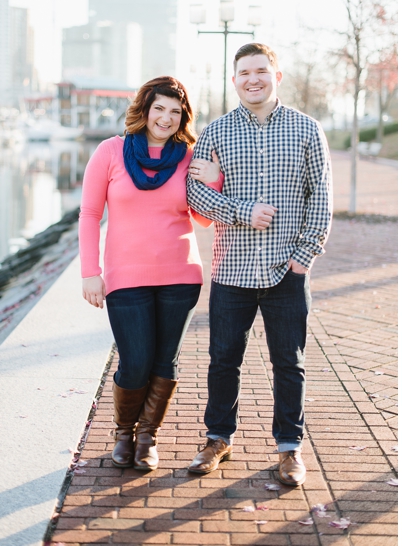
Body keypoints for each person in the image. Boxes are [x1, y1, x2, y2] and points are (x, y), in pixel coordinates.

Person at [184, 43, 332, 486]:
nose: (253, 79)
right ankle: (217, 439)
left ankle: (290, 448)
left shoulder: (307, 130)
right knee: (223, 360)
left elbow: (320, 198)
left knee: (290, 362)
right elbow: (195, 195)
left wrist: (304, 257)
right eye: (245, 72)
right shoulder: (216, 133)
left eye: (261, 71)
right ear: (235, 80)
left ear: (277, 76)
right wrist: (242, 211)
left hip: (287, 270)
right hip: (232, 271)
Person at [80, 76, 220, 472]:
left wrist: (214, 180)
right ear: (144, 109)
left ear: (183, 117)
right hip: (125, 277)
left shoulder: (189, 156)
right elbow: (90, 214)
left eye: (175, 112)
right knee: (135, 360)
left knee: (164, 361)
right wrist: (91, 272)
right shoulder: (111, 152)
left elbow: (204, 220)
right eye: (159, 108)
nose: (166, 117)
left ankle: (147, 438)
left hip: (180, 275)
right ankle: (124, 432)